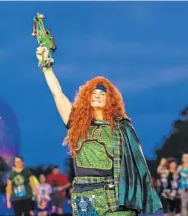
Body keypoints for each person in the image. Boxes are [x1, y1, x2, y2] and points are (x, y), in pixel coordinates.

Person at [35, 45, 162, 215]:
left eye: (102, 94)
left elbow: (135, 163)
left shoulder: (121, 126)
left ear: (111, 101)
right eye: (93, 94)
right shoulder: (77, 123)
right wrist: (46, 66)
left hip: (115, 192)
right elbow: (58, 94)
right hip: (84, 194)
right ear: (86, 98)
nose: (97, 96)